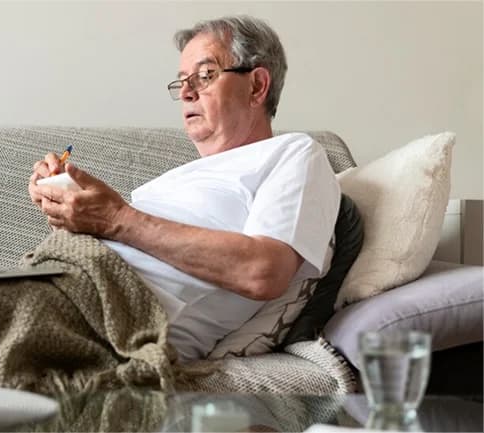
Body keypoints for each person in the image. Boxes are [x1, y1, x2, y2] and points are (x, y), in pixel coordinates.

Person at [28, 15, 340, 361]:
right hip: (58, 276)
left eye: (205, 75)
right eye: (182, 82)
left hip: (115, 313)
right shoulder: (170, 181)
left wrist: (114, 218)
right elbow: (122, 233)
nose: (187, 93)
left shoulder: (294, 154)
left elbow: (263, 272)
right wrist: (67, 208)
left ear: (256, 86)